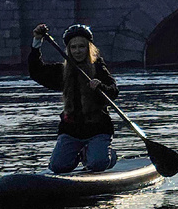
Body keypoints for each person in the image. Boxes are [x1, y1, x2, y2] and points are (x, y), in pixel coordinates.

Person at [28, 22, 119, 173]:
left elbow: (113, 91)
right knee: (57, 167)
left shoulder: (98, 68)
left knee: (97, 165)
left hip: (98, 129)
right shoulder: (62, 71)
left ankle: (106, 156)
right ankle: (82, 155)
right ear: (69, 50)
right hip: (71, 130)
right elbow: (36, 72)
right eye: (73, 47)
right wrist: (37, 42)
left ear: (88, 48)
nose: (77, 51)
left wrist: (100, 86)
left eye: (81, 47)